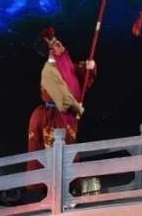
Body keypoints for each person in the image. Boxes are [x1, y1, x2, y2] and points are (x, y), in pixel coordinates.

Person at [27, 27, 96, 171]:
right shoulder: (50, 70)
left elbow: (77, 72)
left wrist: (89, 68)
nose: (59, 43)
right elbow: (60, 97)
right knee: (56, 157)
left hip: (64, 115)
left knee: (67, 153)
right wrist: (76, 107)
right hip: (52, 118)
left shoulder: (64, 61)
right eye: (54, 44)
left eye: (57, 41)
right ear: (50, 51)